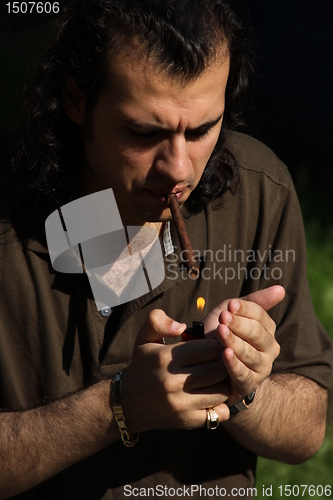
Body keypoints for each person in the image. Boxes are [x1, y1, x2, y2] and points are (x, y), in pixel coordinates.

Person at [0, 0, 332, 498]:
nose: (179, 169)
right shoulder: (12, 226)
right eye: (144, 133)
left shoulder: (260, 191)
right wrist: (120, 408)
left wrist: (244, 388)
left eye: (201, 130)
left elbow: (307, 431)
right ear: (76, 101)